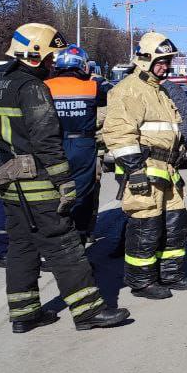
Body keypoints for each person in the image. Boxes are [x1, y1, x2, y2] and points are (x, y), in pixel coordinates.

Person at [0, 22, 128, 333]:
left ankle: (24, 314)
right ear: (33, 56)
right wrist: (64, 181)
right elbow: (46, 140)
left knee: (21, 247)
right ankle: (89, 311)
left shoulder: (0, 87)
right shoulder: (33, 88)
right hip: (38, 184)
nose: (52, 64)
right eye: (49, 58)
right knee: (65, 247)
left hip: (10, 184)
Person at [102, 32, 187, 299]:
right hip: (144, 170)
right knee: (146, 226)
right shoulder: (129, 90)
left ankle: (171, 273)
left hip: (167, 170)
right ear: (144, 59)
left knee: (174, 224)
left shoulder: (158, 90)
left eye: (167, 61)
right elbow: (120, 133)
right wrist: (135, 171)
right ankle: (142, 281)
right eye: (161, 61)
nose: (165, 66)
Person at [45, 45, 107, 241]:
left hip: (53, 144)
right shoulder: (92, 86)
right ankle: (78, 238)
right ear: (82, 65)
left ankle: (54, 239)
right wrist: (97, 78)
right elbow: (110, 95)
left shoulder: (45, 85)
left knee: (52, 191)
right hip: (83, 145)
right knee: (82, 194)